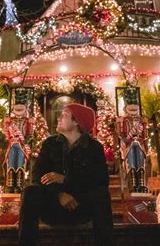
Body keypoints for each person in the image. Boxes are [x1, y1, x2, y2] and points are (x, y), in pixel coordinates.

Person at [18, 103, 113, 246]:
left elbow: (100, 180)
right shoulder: (50, 144)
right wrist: (59, 194)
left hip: (80, 207)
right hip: (52, 205)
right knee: (31, 192)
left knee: (101, 194)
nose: (59, 118)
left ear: (76, 122)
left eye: (64, 115)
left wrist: (66, 180)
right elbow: (38, 176)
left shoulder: (94, 148)